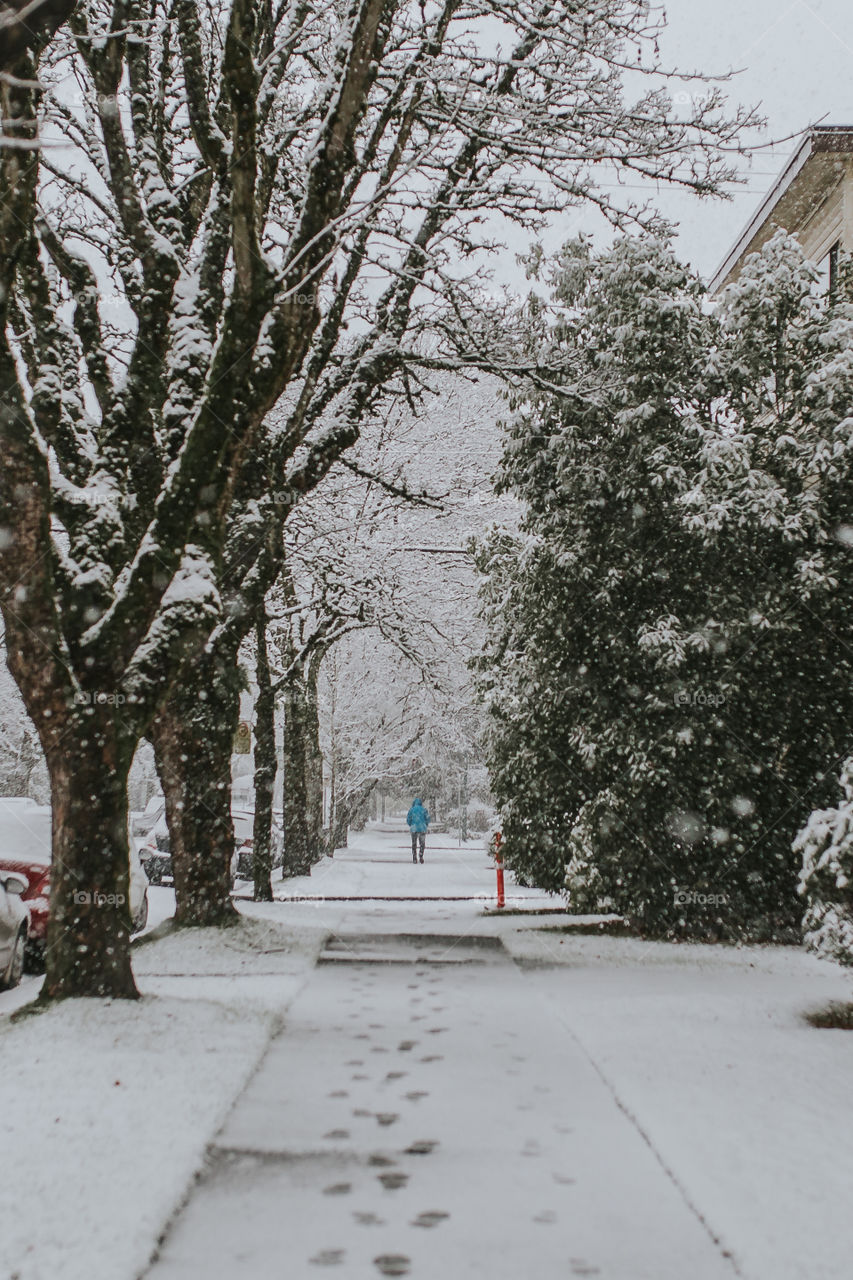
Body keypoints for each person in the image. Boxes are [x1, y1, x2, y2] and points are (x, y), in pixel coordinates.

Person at [406, 797, 430, 863]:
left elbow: (408, 819)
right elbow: (428, 818)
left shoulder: (411, 810)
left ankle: (414, 857)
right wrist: (426, 824)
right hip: (422, 828)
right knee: (422, 843)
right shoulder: (424, 810)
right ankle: (421, 854)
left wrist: (411, 824)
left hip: (414, 828)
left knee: (414, 843)